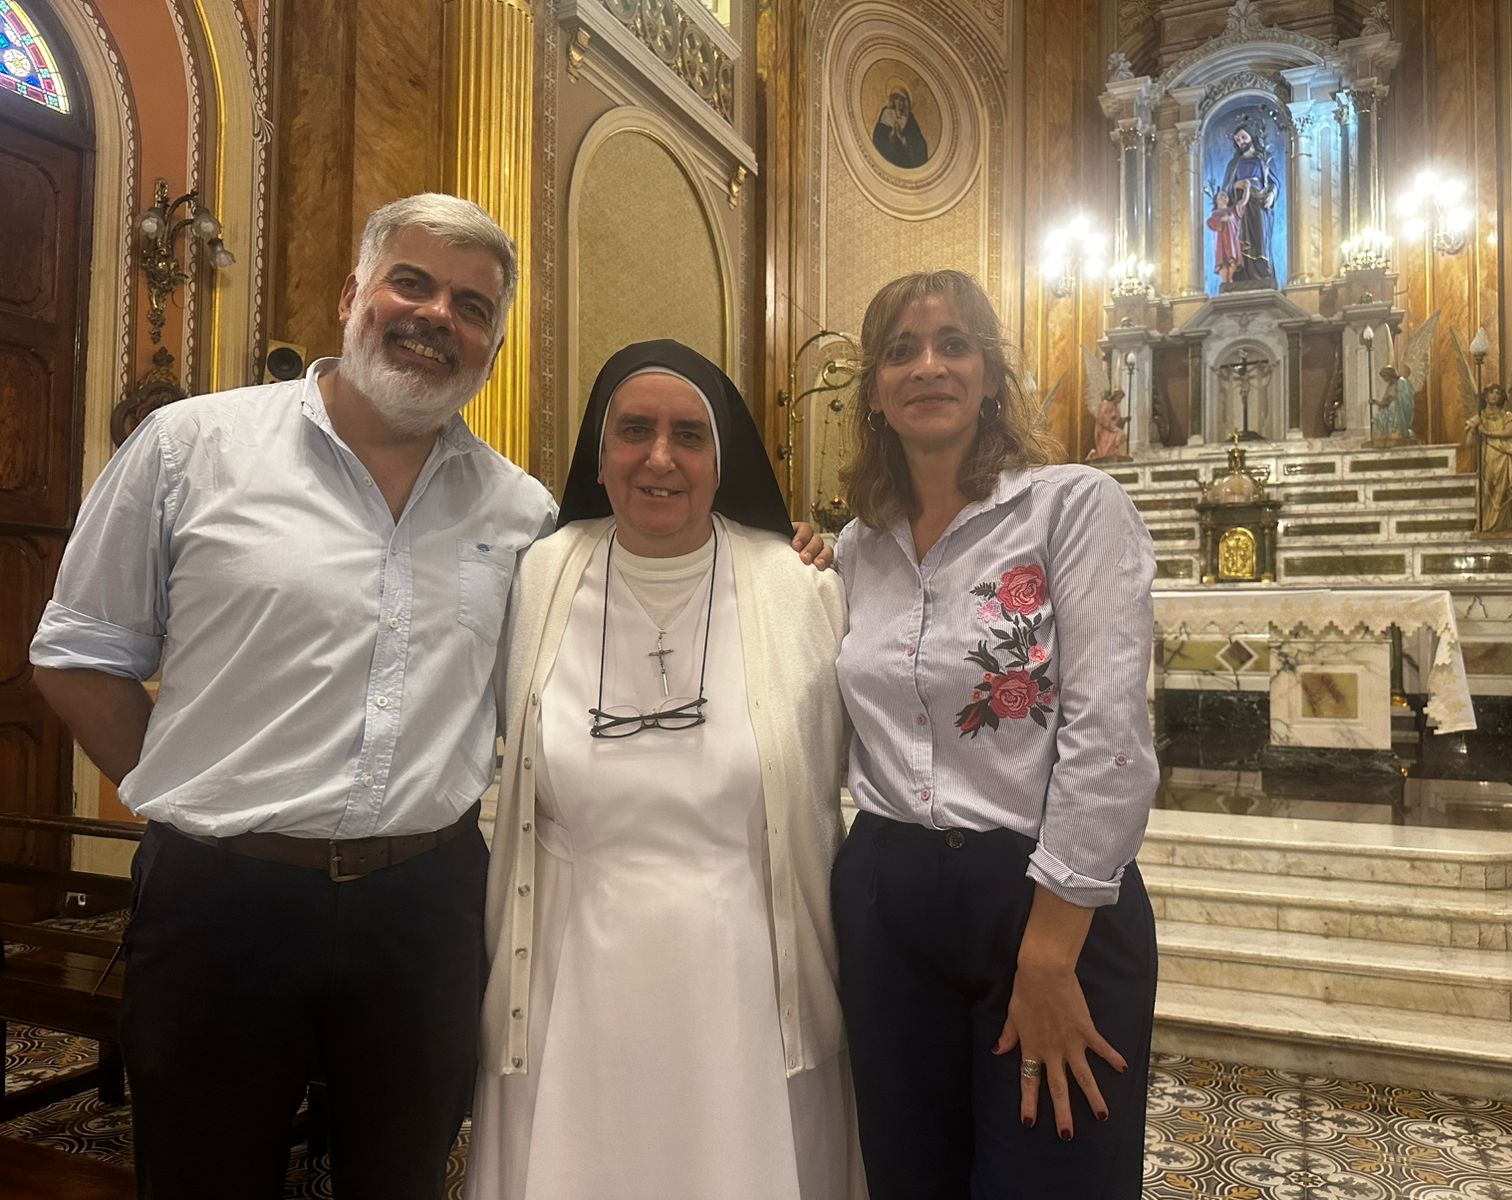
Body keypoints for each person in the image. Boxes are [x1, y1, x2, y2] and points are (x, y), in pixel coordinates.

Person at [28, 193, 830, 1198]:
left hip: (425, 907)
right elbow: (73, 656)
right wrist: (193, 791)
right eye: (411, 282)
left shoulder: (523, 515)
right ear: (351, 293)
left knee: (400, 1177)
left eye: (471, 304)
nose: (436, 316)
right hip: (224, 901)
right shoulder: (192, 448)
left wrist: (801, 552)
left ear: (492, 342)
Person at [469, 340, 865, 1200]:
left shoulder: (797, 589)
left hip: (751, 967)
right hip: (570, 962)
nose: (659, 458)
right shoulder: (542, 574)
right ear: (598, 455)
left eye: (689, 435)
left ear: (724, 460)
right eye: (634, 431)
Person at [829, 270, 1159, 1199]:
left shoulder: (1071, 507)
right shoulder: (857, 547)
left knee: (1053, 1176)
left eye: (953, 344)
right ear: (873, 392)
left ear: (990, 374)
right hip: (886, 902)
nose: (927, 366)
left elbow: (1111, 737)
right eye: (900, 350)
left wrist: (1052, 954)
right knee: (909, 1177)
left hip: (1045, 897)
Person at [1218, 124, 1278, 287]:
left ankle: (1262, 274)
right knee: (1240, 240)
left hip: (1258, 205)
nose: (1241, 141)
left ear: (1252, 137)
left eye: (1244, 137)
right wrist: (1238, 185)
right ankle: (1241, 276)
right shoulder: (1234, 164)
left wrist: (1271, 195)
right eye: (1237, 139)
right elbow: (1226, 188)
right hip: (1240, 207)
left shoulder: (1263, 159)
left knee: (1259, 238)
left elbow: (1273, 183)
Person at [1464, 383, 1512, 534]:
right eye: (1491, 393)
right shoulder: (1480, 417)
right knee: (1486, 491)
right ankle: (1484, 525)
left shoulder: (1507, 416)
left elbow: (1508, 432)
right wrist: (1473, 428)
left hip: (1502, 457)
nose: (1494, 396)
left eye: (1497, 393)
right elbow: (1468, 443)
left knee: (1501, 493)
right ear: (1486, 396)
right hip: (1487, 456)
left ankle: (1501, 526)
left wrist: (1486, 432)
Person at [872, 83, 930, 169]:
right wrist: (891, 136)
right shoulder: (886, 114)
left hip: (904, 160)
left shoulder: (909, 118)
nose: (899, 102)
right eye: (896, 99)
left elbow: (920, 143)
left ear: (906, 102)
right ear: (893, 100)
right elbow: (878, 137)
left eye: (902, 99)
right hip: (889, 157)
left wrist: (904, 139)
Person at [1206, 188, 1242, 284]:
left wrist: (1230, 219)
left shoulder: (1232, 211)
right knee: (1222, 260)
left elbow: (1237, 223)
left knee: (1232, 259)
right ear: (1217, 200)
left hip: (1232, 240)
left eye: (1225, 195)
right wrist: (1221, 220)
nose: (1223, 197)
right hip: (1221, 241)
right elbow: (1210, 223)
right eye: (1221, 196)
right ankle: (1224, 280)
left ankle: (1230, 278)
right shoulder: (1215, 213)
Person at [1086, 388, 1129, 462]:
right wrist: (1113, 428)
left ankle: (1117, 454)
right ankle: (1105, 455)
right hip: (1105, 430)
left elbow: (1117, 421)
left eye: (1121, 399)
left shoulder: (1116, 407)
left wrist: (1123, 420)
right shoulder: (1105, 405)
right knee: (1120, 434)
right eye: (1119, 398)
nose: (1119, 401)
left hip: (1112, 429)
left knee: (1121, 435)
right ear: (1115, 397)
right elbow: (1102, 419)